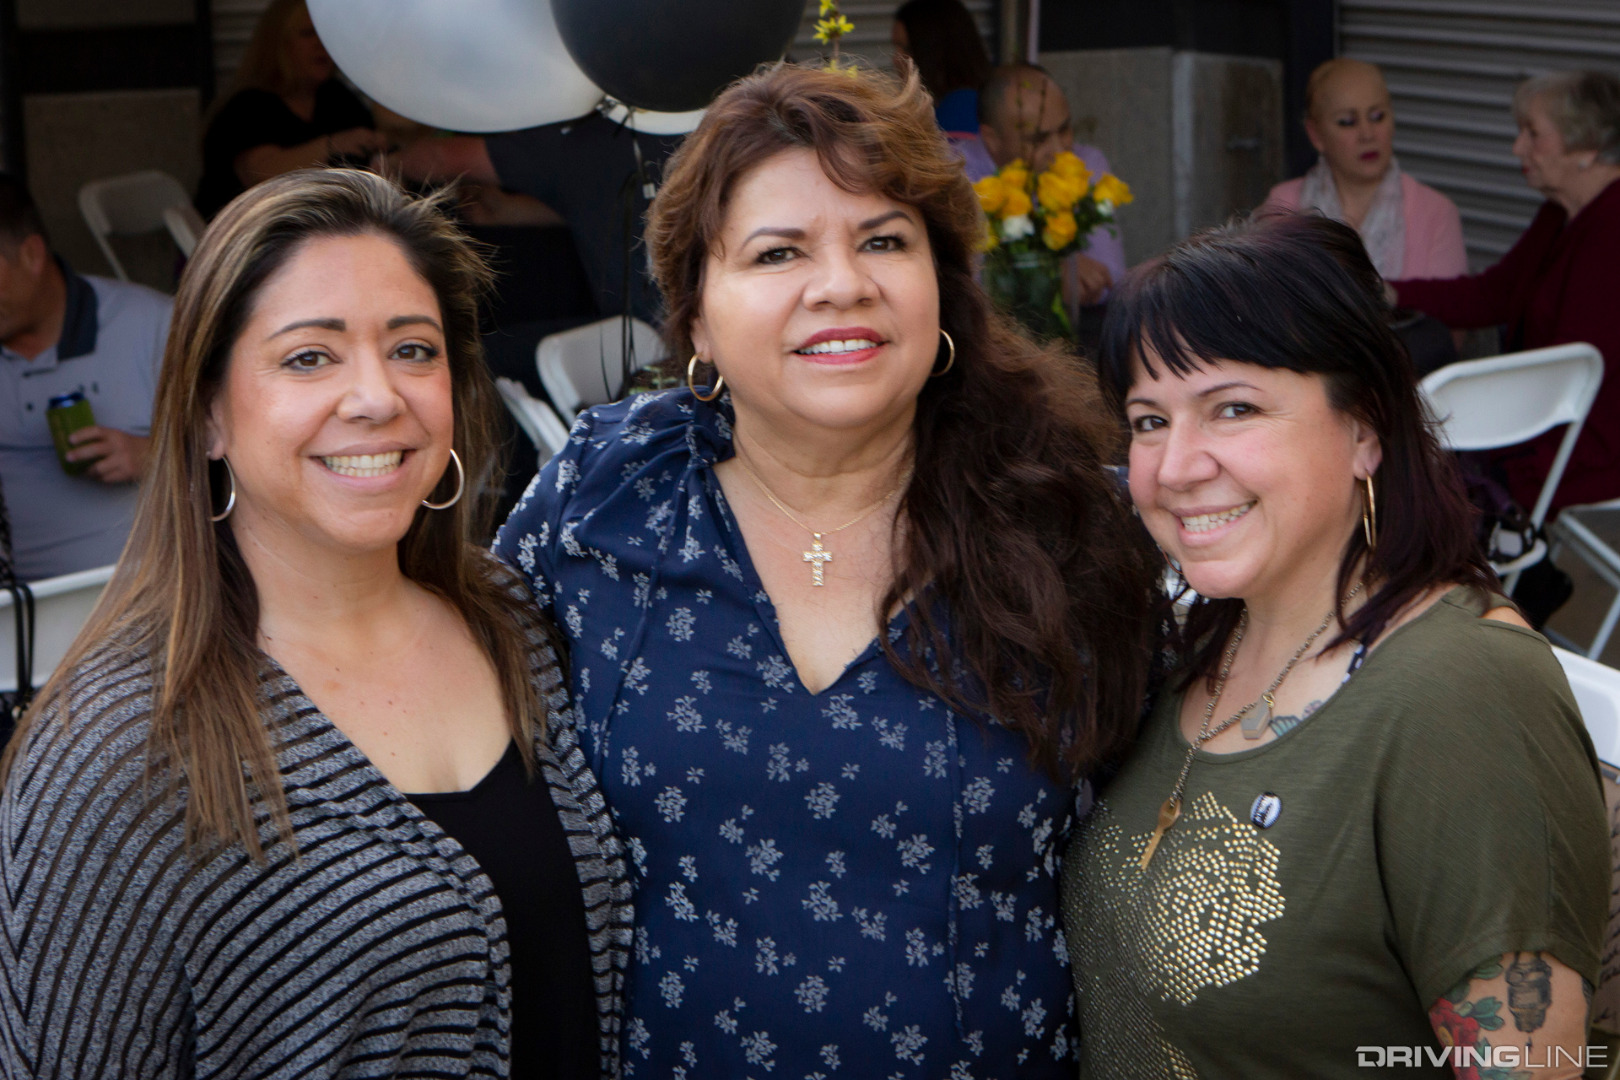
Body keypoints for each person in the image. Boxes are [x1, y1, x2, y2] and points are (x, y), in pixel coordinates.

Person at [494, 62, 1161, 1076]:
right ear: (700, 317)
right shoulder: (607, 497)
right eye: (778, 251)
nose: (842, 283)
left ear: (942, 287)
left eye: (885, 240)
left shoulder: (1067, 518)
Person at [0, 170, 631, 1078]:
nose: (377, 396)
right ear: (209, 410)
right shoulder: (115, 748)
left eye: (414, 350)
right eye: (309, 357)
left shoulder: (519, 624)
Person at [1063, 214, 1607, 1079]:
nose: (1173, 466)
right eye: (1148, 420)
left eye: (1232, 408)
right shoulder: (1198, 644)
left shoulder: (1462, 691)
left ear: (1365, 428)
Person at [1393, 70, 1620, 513]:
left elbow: (1578, 371)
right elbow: (1492, 294)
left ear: (1587, 146)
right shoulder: (1562, 213)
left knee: (1409, 466)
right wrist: (1391, 293)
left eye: (1533, 134)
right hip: (1545, 429)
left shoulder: (1611, 228)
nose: (1518, 148)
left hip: (1585, 449)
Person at [0, 173, 170, 581]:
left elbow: (248, 454)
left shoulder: (152, 325)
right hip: (15, 617)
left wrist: (153, 455)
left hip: (141, 596)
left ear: (31, 255)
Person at [1264, 58, 1467, 282]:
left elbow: (1446, 314)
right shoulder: (1282, 205)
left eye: (1377, 116)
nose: (1367, 134)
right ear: (1315, 134)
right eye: (1347, 122)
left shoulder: (1437, 213)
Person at [959, 63, 1128, 308]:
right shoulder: (953, 174)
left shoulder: (1086, 162)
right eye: (1038, 139)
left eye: (1064, 130)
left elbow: (1111, 278)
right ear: (991, 139)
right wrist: (1055, 271)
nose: (1059, 150)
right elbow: (963, 287)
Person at [195, 0, 384, 219]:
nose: (320, 44)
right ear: (278, 43)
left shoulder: (337, 97)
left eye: (324, 34)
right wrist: (333, 145)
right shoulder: (247, 106)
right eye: (307, 34)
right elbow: (260, 175)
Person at [892, 0, 992, 137]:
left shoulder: (959, 110)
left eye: (907, 49)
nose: (896, 59)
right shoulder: (960, 103)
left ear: (936, 52)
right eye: (896, 48)